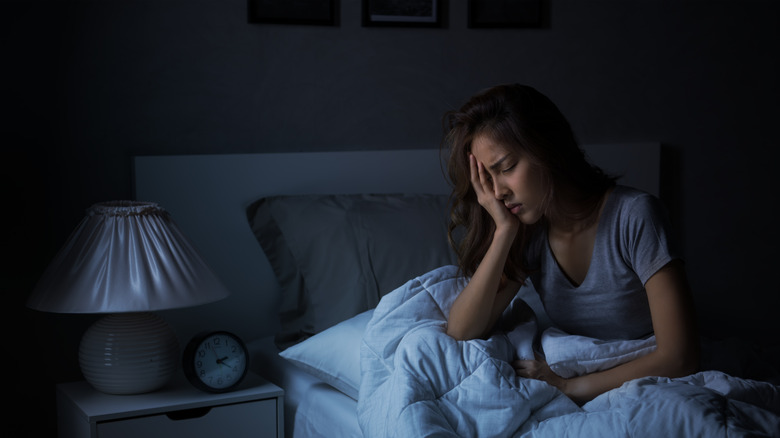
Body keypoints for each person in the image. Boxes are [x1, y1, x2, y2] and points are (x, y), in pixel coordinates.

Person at [442, 84, 699, 405]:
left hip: (650, 388)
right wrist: (503, 232)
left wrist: (568, 387)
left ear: (548, 148)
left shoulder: (634, 216)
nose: (497, 192)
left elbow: (681, 357)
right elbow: (462, 331)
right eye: (487, 180)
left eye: (506, 168)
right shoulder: (528, 233)